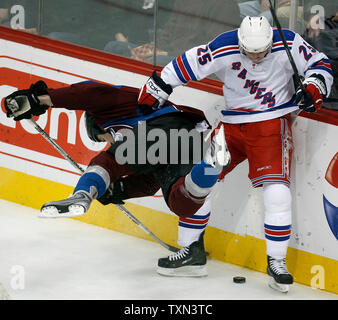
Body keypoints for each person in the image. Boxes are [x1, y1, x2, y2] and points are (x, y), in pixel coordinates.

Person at [137, 16, 334, 292]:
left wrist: (314, 86)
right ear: (240, 42)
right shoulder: (224, 46)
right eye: (250, 51)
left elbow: (320, 64)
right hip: (230, 128)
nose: (255, 57)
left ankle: (276, 262)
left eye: (261, 51)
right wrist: (158, 84)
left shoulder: (287, 40)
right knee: (198, 182)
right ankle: (191, 251)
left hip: (270, 126)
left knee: (277, 192)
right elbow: (190, 62)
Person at [4, 80, 230, 277]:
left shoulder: (108, 109)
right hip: (188, 139)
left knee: (106, 161)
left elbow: (87, 93)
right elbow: (149, 183)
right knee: (181, 201)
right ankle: (211, 164)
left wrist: (39, 99)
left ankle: (81, 195)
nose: (111, 143)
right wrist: (118, 190)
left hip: (165, 128)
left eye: (107, 137)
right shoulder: (142, 149)